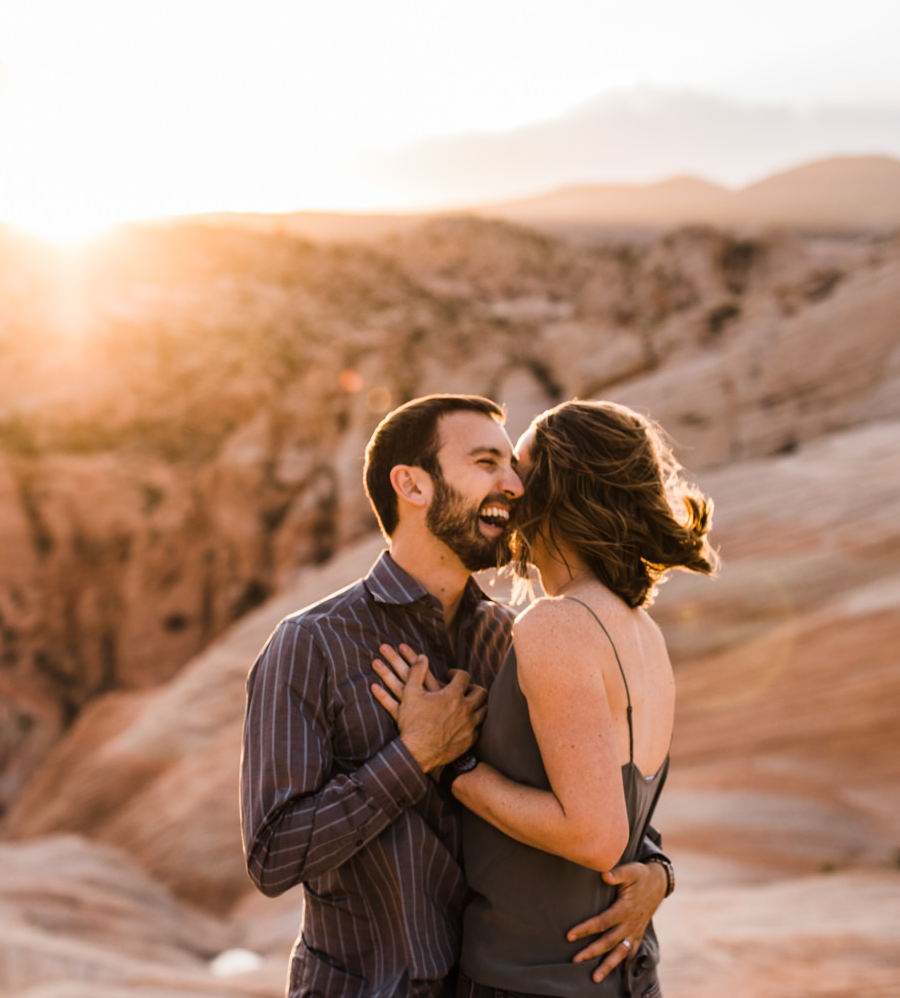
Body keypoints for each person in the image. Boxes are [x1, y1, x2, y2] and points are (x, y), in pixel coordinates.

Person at [242, 395, 672, 998]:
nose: (514, 485)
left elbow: (589, 781)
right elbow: (272, 857)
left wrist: (656, 869)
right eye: (486, 463)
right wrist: (412, 756)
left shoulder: (508, 635)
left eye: (512, 466)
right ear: (412, 485)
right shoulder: (311, 645)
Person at [373, 400, 715, 998]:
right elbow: (622, 809)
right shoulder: (641, 629)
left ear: (557, 489)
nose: (505, 485)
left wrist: (453, 765)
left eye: (520, 468)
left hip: (532, 978)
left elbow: (595, 836)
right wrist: (659, 873)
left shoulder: (556, 624)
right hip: (621, 976)